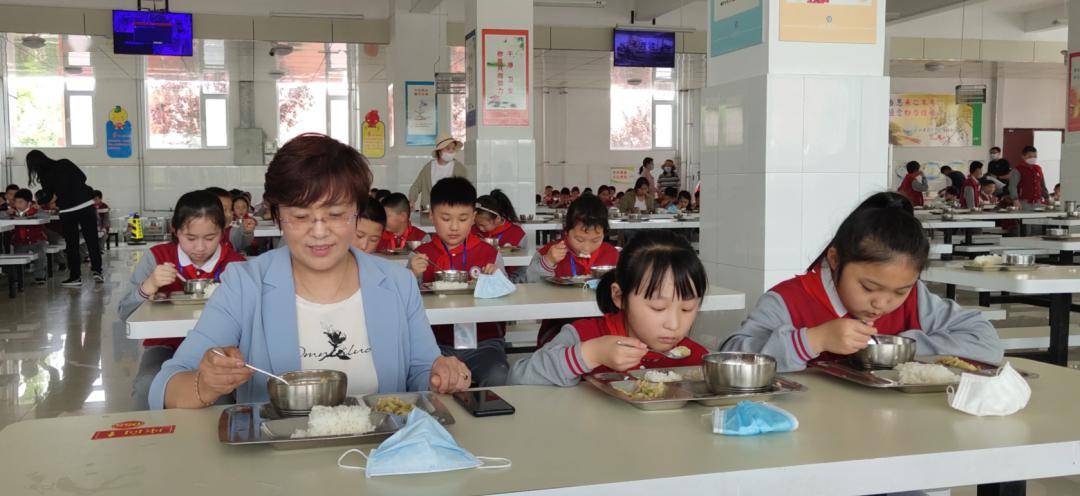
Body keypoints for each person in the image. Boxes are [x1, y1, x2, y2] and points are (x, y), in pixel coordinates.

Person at [149, 133, 471, 410]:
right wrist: (206, 384)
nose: (319, 232)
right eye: (301, 217)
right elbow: (164, 387)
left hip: (382, 460)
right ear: (277, 217)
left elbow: (421, 371)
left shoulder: (397, 283)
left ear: (357, 213)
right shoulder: (245, 285)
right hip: (278, 469)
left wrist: (441, 374)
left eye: (335, 214)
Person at [721, 192, 1004, 372]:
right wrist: (813, 339)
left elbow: (986, 342)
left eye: (900, 291)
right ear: (835, 259)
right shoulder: (789, 300)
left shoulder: (918, 300)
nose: (882, 303)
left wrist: (904, 348)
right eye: (868, 287)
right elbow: (730, 357)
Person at [510, 230, 710, 385]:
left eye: (687, 308)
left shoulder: (696, 359)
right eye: (658, 308)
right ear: (619, 296)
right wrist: (591, 354)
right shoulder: (584, 337)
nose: (674, 325)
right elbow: (516, 379)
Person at [120, 190, 247, 410]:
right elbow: (124, 313)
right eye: (190, 238)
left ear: (223, 230)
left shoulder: (236, 265)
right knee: (146, 385)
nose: (200, 247)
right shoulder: (157, 258)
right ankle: (152, 440)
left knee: (223, 391)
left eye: (210, 238)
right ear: (175, 231)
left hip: (220, 348)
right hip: (165, 345)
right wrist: (148, 285)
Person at [407, 176, 508, 387]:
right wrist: (410, 275)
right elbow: (406, 303)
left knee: (498, 376)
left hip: (483, 343)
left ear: (473, 217)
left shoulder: (489, 254)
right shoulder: (420, 255)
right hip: (435, 345)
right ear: (431, 216)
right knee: (429, 382)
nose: (454, 227)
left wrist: (496, 281)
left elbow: (507, 298)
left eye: (462, 219)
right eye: (445, 218)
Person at [525, 195, 620, 346]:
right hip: (559, 326)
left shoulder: (612, 255)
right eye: (579, 239)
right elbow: (530, 283)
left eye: (596, 240)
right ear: (566, 231)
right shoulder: (552, 251)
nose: (587, 247)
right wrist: (548, 262)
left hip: (603, 327)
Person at [25, 150, 103, 286]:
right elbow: (82, 177)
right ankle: (97, 271)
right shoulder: (64, 163)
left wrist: (39, 203)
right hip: (85, 204)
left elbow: (49, 196)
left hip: (67, 210)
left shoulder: (45, 175)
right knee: (92, 240)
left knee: (72, 244)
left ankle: (75, 277)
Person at [408, 134, 469, 211]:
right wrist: (412, 200)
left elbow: (465, 190)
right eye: (448, 148)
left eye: (453, 149)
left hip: (451, 210)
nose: (451, 151)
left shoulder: (459, 168)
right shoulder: (429, 167)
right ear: (439, 151)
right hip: (429, 211)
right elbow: (416, 186)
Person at [8, 189, 49, 285]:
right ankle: (16, 277)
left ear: (28, 203)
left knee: (41, 255)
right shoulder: (12, 211)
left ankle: (40, 276)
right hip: (20, 241)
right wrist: (7, 213)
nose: (17, 204)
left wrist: (38, 210)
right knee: (15, 257)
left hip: (37, 240)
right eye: (16, 202)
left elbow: (46, 216)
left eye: (20, 202)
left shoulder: (35, 209)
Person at [1009, 146, 1050, 211]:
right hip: (1024, 202)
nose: (1033, 158)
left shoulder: (1038, 168)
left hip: (1038, 201)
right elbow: (1012, 186)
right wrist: (1015, 200)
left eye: (1035, 156)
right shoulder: (1017, 169)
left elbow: (1042, 185)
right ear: (1023, 156)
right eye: (1030, 156)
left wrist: (1047, 198)